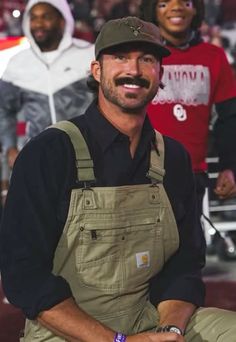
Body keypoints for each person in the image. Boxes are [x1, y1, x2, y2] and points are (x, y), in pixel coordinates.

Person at [1, 16, 236, 342]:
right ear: (97, 71)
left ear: (160, 75)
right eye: (121, 57)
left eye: (147, 59)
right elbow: (23, 274)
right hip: (66, 330)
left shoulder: (174, 158)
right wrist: (116, 341)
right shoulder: (50, 152)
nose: (135, 70)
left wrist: (168, 331)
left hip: (150, 319)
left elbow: (185, 264)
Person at [139, 0, 236, 208]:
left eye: (186, 2)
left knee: (190, 240)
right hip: (139, 175)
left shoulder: (215, 56)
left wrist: (229, 167)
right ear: (153, 11)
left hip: (192, 175)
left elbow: (228, 119)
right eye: (164, 3)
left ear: (196, 10)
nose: (176, 8)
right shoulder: (139, 56)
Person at [0, 0, 94, 172]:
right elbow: (4, 109)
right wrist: (10, 147)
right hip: (38, 160)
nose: (38, 24)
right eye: (33, 18)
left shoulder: (88, 55)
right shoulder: (18, 63)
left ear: (62, 20)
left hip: (88, 157)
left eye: (46, 17)